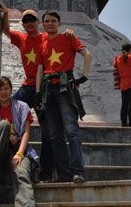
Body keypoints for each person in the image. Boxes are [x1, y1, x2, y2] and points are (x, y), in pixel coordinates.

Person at [0, 2, 73, 182]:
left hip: (44, 88)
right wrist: (5, 12)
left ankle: (46, 172)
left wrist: (69, 33)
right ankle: (0, 158)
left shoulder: (47, 38)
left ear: (38, 22)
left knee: (48, 132)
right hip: (26, 86)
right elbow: (5, 30)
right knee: (5, 111)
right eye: (26, 20)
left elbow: (62, 41)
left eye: (32, 20)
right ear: (23, 24)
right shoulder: (21, 38)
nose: (29, 23)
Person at [35, 10, 92, 184]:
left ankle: (77, 171)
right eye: (47, 21)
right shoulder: (42, 42)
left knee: (71, 130)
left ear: (59, 24)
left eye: (53, 20)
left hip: (64, 87)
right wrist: (38, 94)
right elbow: (39, 69)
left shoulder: (68, 38)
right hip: (47, 89)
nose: (50, 23)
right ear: (43, 24)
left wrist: (83, 77)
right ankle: (64, 174)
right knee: (54, 134)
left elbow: (87, 54)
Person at [0, 76, 38, 207]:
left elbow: (26, 132)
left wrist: (20, 154)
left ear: (11, 90)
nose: (3, 92)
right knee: (3, 125)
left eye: (6, 89)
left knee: (21, 172)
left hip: (18, 149)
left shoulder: (22, 107)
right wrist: (5, 137)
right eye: (0, 89)